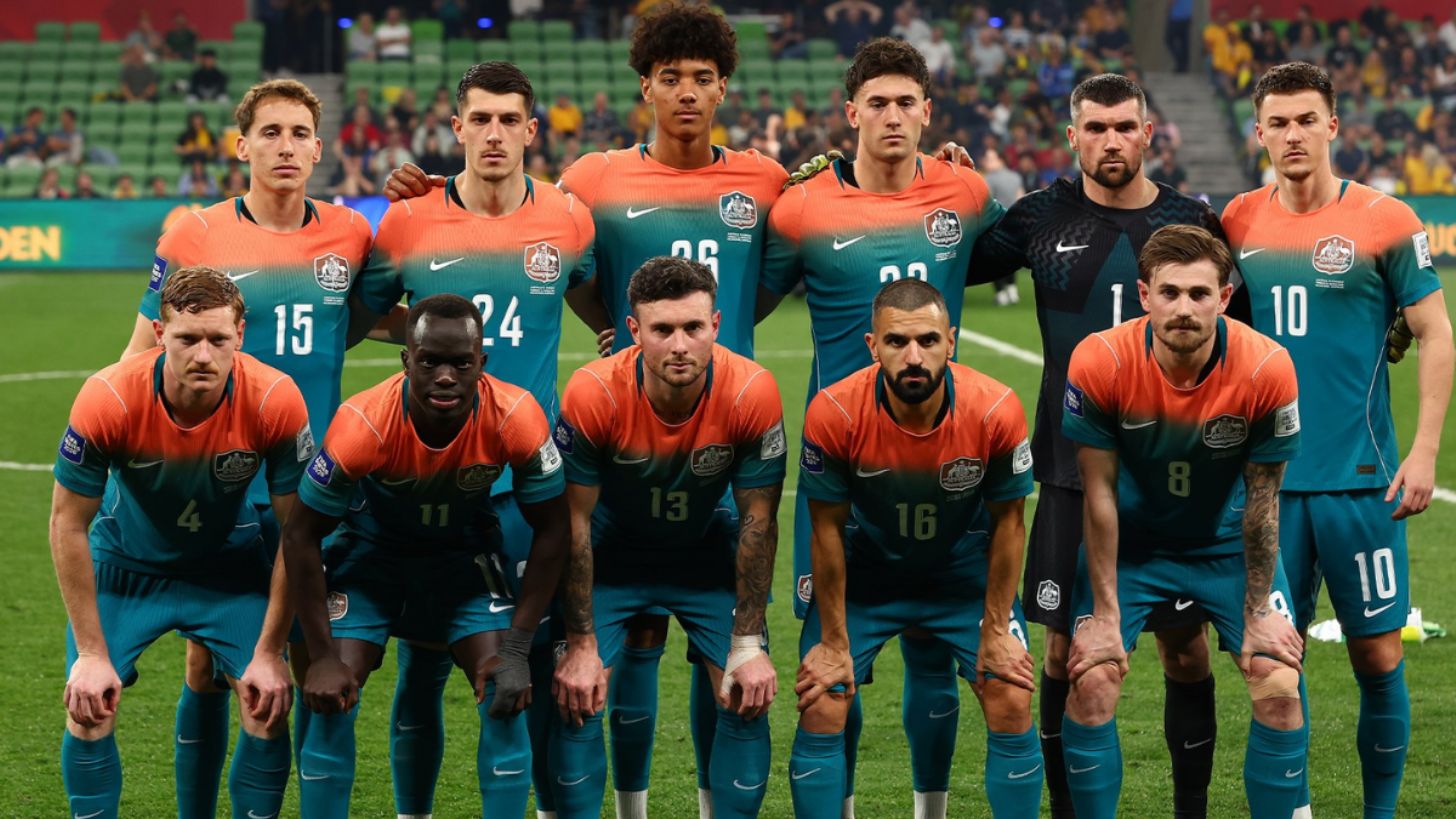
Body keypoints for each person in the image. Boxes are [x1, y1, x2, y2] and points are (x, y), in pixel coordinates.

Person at [382, 7, 794, 813]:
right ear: (646, 87)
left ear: (723, 88)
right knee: (618, 642)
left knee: (723, 655)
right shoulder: (592, 182)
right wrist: (433, 195)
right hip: (617, 437)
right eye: (670, 77)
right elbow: (525, 226)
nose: (686, 92)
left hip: (721, 432)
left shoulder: (768, 180)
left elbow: (808, 237)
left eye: (702, 78)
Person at [967, 73, 1235, 819]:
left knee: (1184, 647)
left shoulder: (1191, 221)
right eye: (1095, 128)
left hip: (1171, 472)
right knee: (1064, 649)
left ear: (1148, 133)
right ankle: (1066, 809)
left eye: (1124, 127)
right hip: (1068, 466)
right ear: (1073, 136)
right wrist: (953, 185)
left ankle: (1190, 810)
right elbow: (950, 258)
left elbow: (1241, 320)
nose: (1110, 140)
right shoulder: (1038, 216)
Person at [757, 38, 1003, 819]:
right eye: (877, 103)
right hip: (840, 471)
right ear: (850, 112)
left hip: (944, 462)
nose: (892, 116)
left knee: (935, 658)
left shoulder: (966, 192)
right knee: (830, 672)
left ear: (927, 112)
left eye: (905, 103)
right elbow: (741, 299)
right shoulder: (801, 207)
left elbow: (1014, 251)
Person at [120, 78, 377, 819]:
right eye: (270, 132)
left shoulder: (350, 234)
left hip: (313, 484)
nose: (285, 146)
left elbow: (362, 316)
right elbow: (140, 356)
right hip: (219, 486)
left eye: (299, 134)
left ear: (319, 150)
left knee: (314, 659)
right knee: (208, 662)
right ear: (242, 146)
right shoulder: (194, 235)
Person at [351, 61, 601, 819]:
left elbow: (597, 302)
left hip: (526, 486)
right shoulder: (408, 219)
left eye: (509, 120)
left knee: (531, 668)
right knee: (422, 665)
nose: (495, 133)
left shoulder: (568, 217)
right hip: (426, 478)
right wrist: (430, 341)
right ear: (456, 127)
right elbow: (359, 318)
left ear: (532, 130)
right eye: (480, 119)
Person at [1223, 61, 1453, 819]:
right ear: (1259, 134)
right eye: (1277, 122)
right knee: (1269, 665)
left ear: (1332, 126)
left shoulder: (1386, 219)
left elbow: (1434, 332)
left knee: (1378, 657)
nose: (1293, 134)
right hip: (1267, 489)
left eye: (1305, 119)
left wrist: (1424, 451)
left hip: (1361, 480)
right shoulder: (1236, 222)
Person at [281, 293, 568, 818]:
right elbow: (300, 535)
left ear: (482, 362)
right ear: (406, 360)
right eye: (430, 361)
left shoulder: (516, 415)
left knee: (504, 692)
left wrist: (516, 650)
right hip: (372, 559)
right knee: (330, 697)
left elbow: (554, 530)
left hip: (462, 560)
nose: (445, 377)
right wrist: (320, 657)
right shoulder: (363, 424)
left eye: (461, 364)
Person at [1061, 224, 1306, 818]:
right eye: (1169, 293)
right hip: (1132, 549)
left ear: (1224, 298)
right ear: (1144, 295)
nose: (1184, 309)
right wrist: (1106, 616)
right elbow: (1097, 494)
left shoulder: (1267, 367)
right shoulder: (1100, 359)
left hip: (1226, 548)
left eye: (1199, 294)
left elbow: (1264, 497)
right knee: (1092, 680)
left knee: (1278, 684)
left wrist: (1258, 611)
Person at [52, 266, 310, 819]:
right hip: (125, 569)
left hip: (229, 571)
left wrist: (270, 652)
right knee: (88, 707)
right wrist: (92, 654)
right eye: (187, 338)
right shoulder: (108, 398)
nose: (203, 356)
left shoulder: (274, 399)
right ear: (159, 332)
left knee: (266, 705)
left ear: (240, 335)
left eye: (218, 339)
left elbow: (297, 531)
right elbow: (67, 523)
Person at [791, 278, 1042, 819]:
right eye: (896, 342)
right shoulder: (834, 412)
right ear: (872, 346)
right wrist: (833, 642)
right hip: (869, 577)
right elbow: (826, 529)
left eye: (928, 341)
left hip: (961, 576)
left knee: (1010, 691)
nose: (913, 357)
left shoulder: (995, 408)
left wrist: (996, 631)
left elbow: (1009, 524)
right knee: (822, 699)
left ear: (951, 341)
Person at [551, 257, 786, 819]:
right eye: (662, 330)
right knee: (577, 695)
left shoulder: (752, 391)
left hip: (704, 553)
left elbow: (759, 522)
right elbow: (573, 525)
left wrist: (747, 643)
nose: (679, 345)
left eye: (693, 327)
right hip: (613, 555)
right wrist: (580, 645)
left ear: (716, 325)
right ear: (634, 331)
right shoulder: (593, 392)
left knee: (744, 692)